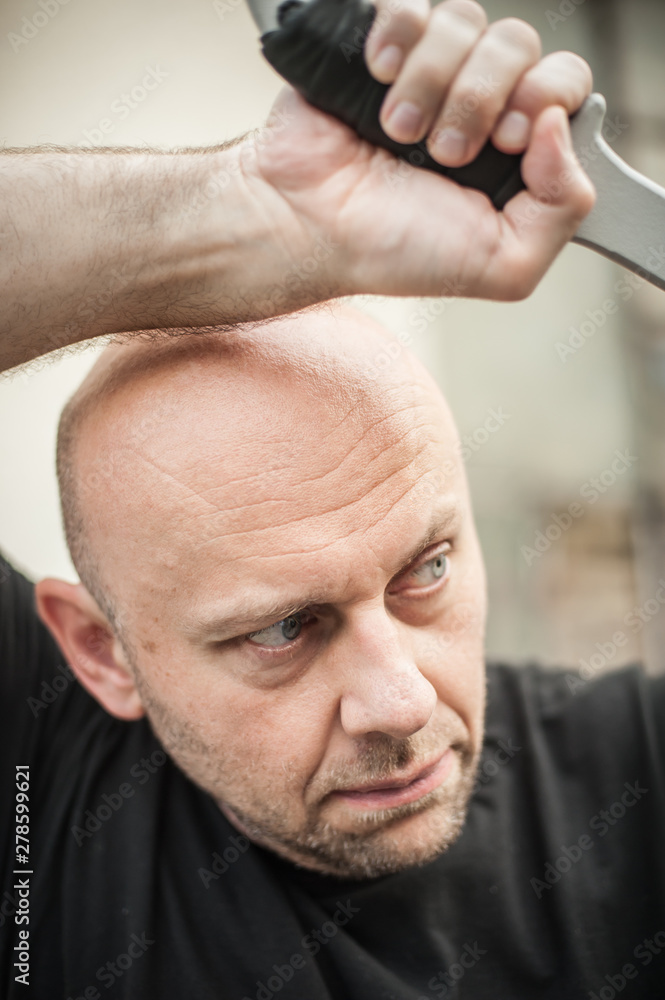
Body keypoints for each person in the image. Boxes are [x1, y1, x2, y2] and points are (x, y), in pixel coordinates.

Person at [6, 3, 662, 998]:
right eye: (281, 629)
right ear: (101, 651)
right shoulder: (46, 794)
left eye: (425, 570)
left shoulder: (637, 777)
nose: (400, 700)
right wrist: (255, 212)